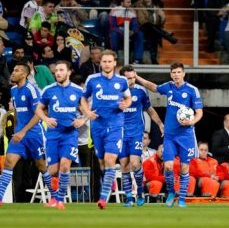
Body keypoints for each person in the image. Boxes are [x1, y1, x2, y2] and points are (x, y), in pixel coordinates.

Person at [136, 62, 203, 208]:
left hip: (186, 135)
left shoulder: (192, 90)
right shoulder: (169, 86)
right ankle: (172, 192)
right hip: (170, 135)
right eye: (174, 72)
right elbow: (153, 87)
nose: (176, 75)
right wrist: (137, 77)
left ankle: (182, 199)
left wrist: (191, 121)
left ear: (183, 73)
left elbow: (199, 112)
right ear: (171, 74)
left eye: (179, 72)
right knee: (168, 166)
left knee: (185, 168)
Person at [35, 60, 91, 209]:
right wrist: (46, 118)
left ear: (69, 72)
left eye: (61, 70)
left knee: (65, 166)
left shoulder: (78, 91)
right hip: (53, 135)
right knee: (53, 170)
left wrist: (82, 120)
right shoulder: (48, 90)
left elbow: (88, 110)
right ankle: (53, 198)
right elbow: (39, 109)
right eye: (56, 71)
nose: (58, 73)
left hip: (70, 135)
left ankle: (60, 200)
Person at [0, 62, 56, 207]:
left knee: (41, 166)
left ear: (24, 74)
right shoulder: (13, 90)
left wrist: (23, 131)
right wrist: (18, 130)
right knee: (8, 163)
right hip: (19, 136)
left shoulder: (31, 90)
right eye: (13, 70)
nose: (13, 73)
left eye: (17, 70)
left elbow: (39, 114)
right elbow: (18, 112)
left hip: (34, 135)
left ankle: (55, 198)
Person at [82, 49, 132, 209]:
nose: (107, 64)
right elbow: (83, 98)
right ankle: (108, 180)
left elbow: (128, 97)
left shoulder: (122, 81)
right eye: (104, 61)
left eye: (110, 61)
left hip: (115, 125)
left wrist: (126, 104)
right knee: (102, 163)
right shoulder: (92, 79)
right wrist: (87, 112)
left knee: (110, 160)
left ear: (114, 63)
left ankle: (103, 199)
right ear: (100, 63)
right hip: (97, 126)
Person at [118, 65, 164, 207]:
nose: (131, 81)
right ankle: (129, 198)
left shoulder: (140, 91)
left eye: (133, 77)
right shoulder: (115, 92)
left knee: (135, 163)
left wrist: (160, 124)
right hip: (120, 133)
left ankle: (139, 190)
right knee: (124, 165)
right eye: (128, 78)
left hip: (136, 132)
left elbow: (150, 110)